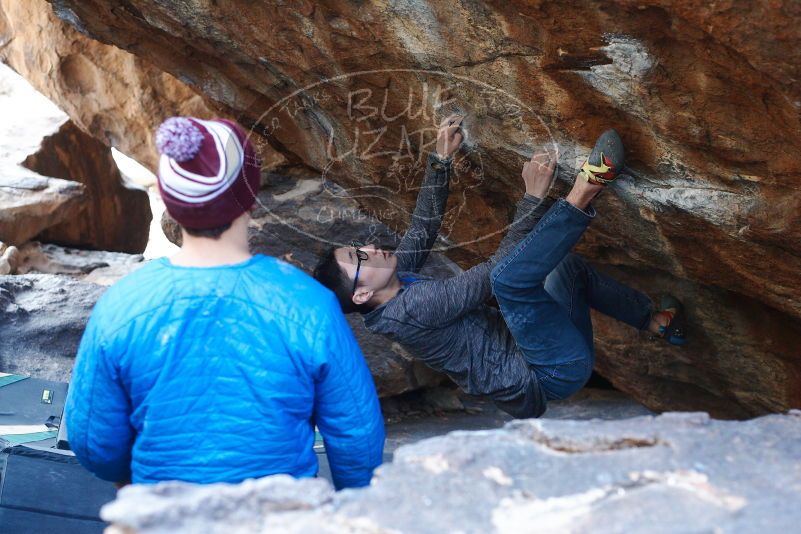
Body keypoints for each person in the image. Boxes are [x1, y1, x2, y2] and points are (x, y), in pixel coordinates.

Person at [66, 116, 385, 490]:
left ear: (170, 201)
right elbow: (358, 435)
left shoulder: (121, 305)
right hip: (280, 517)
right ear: (249, 196)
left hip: (160, 515)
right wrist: (353, 503)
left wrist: (133, 476)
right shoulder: (308, 304)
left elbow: (93, 442)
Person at [314, 117, 686, 418]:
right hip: (549, 374)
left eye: (359, 247)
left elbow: (422, 229)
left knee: (564, 267)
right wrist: (532, 198)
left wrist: (441, 161)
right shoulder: (412, 310)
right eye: (359, 258)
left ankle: (658, 322)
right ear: (362, 293)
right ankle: (586, 187)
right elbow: (495, 274)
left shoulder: (393, 284)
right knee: (508, 280)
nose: (369, 249)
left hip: (548, 351)